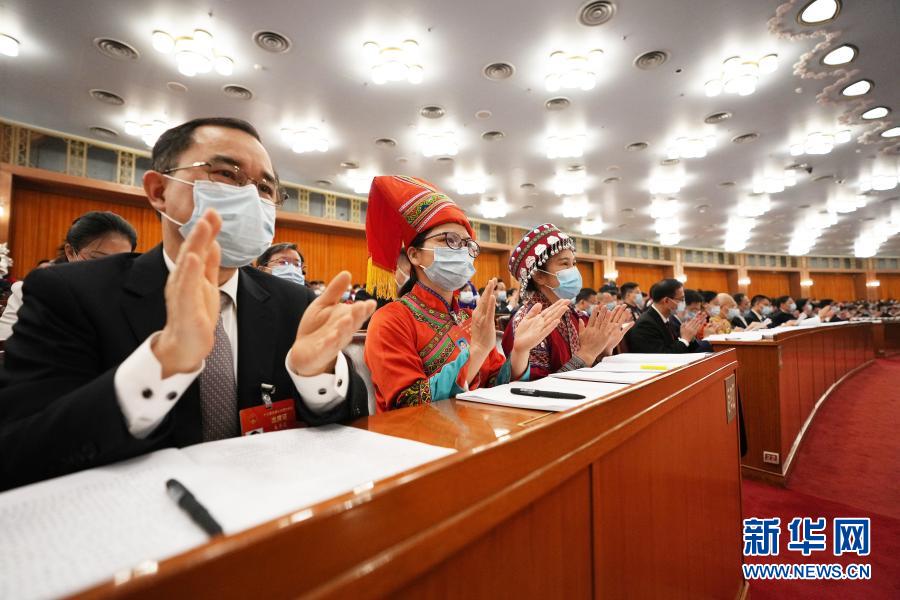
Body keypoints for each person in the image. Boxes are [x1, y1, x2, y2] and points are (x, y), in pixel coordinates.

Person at [0, 117, 375, 490]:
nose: (250, 195)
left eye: (264, 187)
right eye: (227, 174)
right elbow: (19, 450)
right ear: (159, 190)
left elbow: (352, 422)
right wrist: (160, 365)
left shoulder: (292, 303)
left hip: (265, 505)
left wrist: (317, 378)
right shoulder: (71, 293)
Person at [363, 177, 567, 411]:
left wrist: (520, 352)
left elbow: (497, 386)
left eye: (466, 244)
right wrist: (477, 351)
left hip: (476, 434)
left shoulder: (470, 319)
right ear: (414, 255)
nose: (461, 250)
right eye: (448, 240)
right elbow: (407, 402)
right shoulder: (390, 319)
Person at [502, 224, 631, 380]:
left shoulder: (579, 316)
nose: (574, 270)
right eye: (564, 264)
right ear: (539, 276)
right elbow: (534, 390)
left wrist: (604, 349)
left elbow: (594, 376)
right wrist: (586, 354)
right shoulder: (526, 322)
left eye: (574, 263)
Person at [0, 211, 138, 341]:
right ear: (71, 252)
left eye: (120, 262)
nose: (109, 271)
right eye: (98, 259)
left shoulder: (132, 300)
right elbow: (5, 349)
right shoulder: (32, 293)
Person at [625, 278, 707, 354]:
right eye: (681, 300)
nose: (683, 304)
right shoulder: (646, 324)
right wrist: (685, 339)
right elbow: (662, 356)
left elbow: (682, 348)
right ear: (666, 300)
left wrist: (690, 336)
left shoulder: (669, 319)